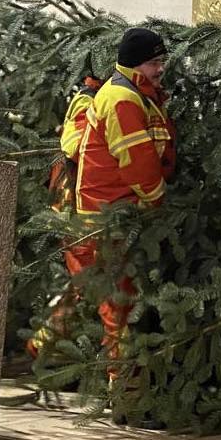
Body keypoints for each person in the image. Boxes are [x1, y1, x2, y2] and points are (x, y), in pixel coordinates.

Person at [72, 29, 175, 361]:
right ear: (134, 64)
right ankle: (125, 395)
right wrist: (157, 203)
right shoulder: (122, 99)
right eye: (153, 62)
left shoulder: (137, 93)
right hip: (111, 216)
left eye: (162, 61)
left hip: (116, 212)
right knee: (119, 307)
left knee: (108, 300)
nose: (160, 69)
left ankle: (44, 351)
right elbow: (138, 163)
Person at [26, 73, 104, 358]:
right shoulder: (89, 100)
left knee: (87, 285)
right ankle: (44, 346)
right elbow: (74, 147)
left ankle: (53, 346)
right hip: (78, 212)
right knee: (87, 286)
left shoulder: (91, 98)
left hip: (79, 209)